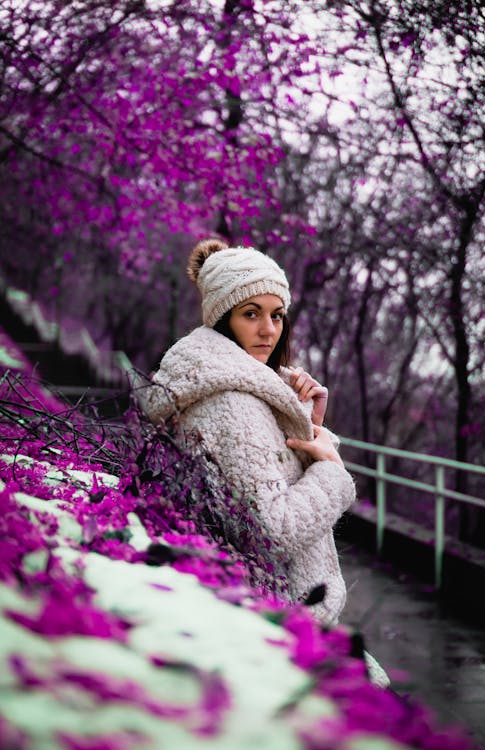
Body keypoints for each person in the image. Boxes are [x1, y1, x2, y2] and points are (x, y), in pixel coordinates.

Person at [142, 239, 389, 685]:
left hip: (267, 606)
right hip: (276, 619)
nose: (269, 330)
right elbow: (272, 532)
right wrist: (332, 472)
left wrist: (310, 429)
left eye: (276, 315)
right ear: (222, 320)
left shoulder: (231, 388)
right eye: (251, 313)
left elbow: (262, 475)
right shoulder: (233, 403)